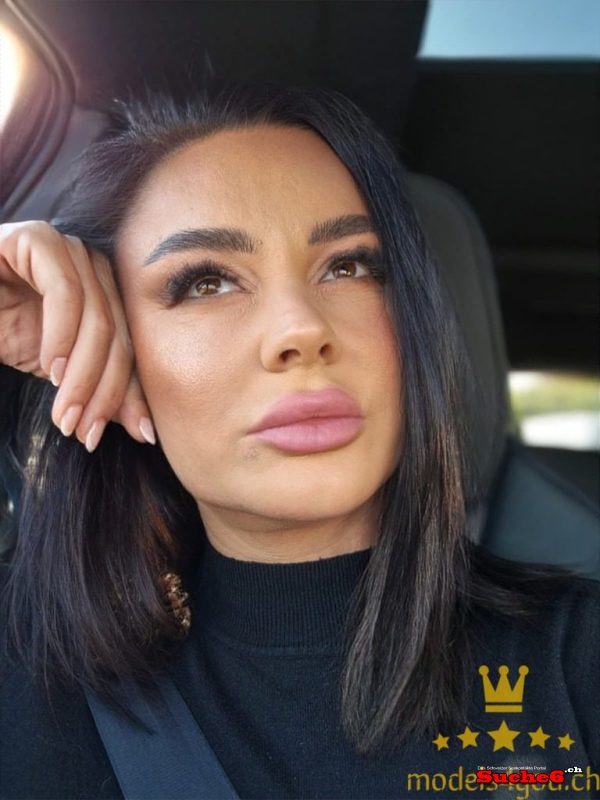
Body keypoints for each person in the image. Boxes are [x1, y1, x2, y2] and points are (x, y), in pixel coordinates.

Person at [0, 82, 598, 800]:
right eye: (206, 282)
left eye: (350, 267)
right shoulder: (27, 661)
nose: (301, 329)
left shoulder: (578, 660)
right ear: (115, 344)